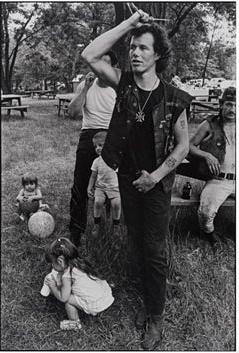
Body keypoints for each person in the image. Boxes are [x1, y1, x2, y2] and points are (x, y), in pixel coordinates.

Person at [81, 9, 193, 350]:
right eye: (132, 47)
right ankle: (148, 299)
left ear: (157, 54)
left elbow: (184, 144)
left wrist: (156, 175)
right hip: (128, 179)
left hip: (156, 184)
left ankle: (156, 316)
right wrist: (130, 24)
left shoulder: (175, 98)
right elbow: (89, 54)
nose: (135, 52)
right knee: (138, 243)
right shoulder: (124, 83)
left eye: (143, 47)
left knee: (155, 248)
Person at [68, 51, 118, 247]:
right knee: (80, 183)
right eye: (97, 63)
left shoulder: (117, 88)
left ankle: (111, 223)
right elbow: (72, 113)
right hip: (89, 134)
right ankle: (76, 230)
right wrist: (85, 89)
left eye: (106, 64)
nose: (100, 68)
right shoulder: (86, 85)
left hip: (112, 135)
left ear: (113, 67)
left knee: (112, 181)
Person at [189, 86, 236, 246]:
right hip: (219, 179)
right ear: (221, 104)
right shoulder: (209, 124)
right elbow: (188, 146)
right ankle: (210, 235)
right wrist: (207, 155)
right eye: (229, 104)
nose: (233, 109)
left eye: (236, 105)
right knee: (205, 213)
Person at [44, 237, 114, 330]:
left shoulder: (67, 276)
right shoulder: (78, 263)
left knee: (69, 300)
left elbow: (63, 297)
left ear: (60, 261)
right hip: (106, 294)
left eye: (52, 263)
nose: (52, 266)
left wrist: (53, 287)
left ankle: (75, 324)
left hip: (96, 303)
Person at [87, 131, 121, 238]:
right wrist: (89, 187)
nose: (97, 148)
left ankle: (116, 225)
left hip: (114, 188)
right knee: (97, 202)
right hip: (100, 188)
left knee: (116, 204)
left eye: (100, 145)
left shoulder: (116, 160)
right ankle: (96, 224)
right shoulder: (97, 161)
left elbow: (121, 174)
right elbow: (93, 176)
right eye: (95, 146)